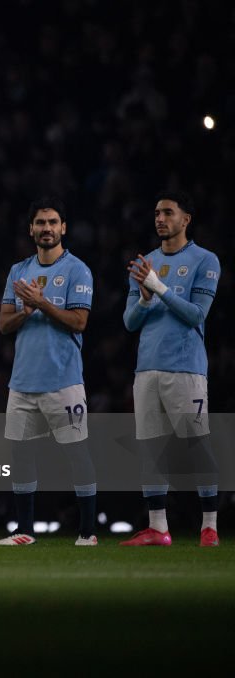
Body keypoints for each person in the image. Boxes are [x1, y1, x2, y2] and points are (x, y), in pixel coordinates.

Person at [0, 197, 97, 546]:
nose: (47, 228)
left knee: (76, 454)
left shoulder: (77, 270)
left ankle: (88, 532)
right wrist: (26, 310)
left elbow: (79, 322)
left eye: (53, 222)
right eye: (40, 223)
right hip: (23, 381)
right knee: (21, 457)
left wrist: (41, 303)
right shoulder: (18, 271)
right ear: (31, 230)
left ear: (63, 228)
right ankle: (25, 531)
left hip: (63, 380)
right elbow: (3, 324)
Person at [121, 190, 221, 547]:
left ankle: (209, 525)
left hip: (185, 368)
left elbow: (197, 315)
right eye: (157, 212)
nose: (160, 218)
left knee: (196, 444)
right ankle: (158, 528)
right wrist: (145, 298)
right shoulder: (146, 261)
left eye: (168, 212)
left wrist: (158, 287)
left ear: (185, 219)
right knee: (150, 448)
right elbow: (130, 322)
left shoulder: (205, 260)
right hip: (147, 368)